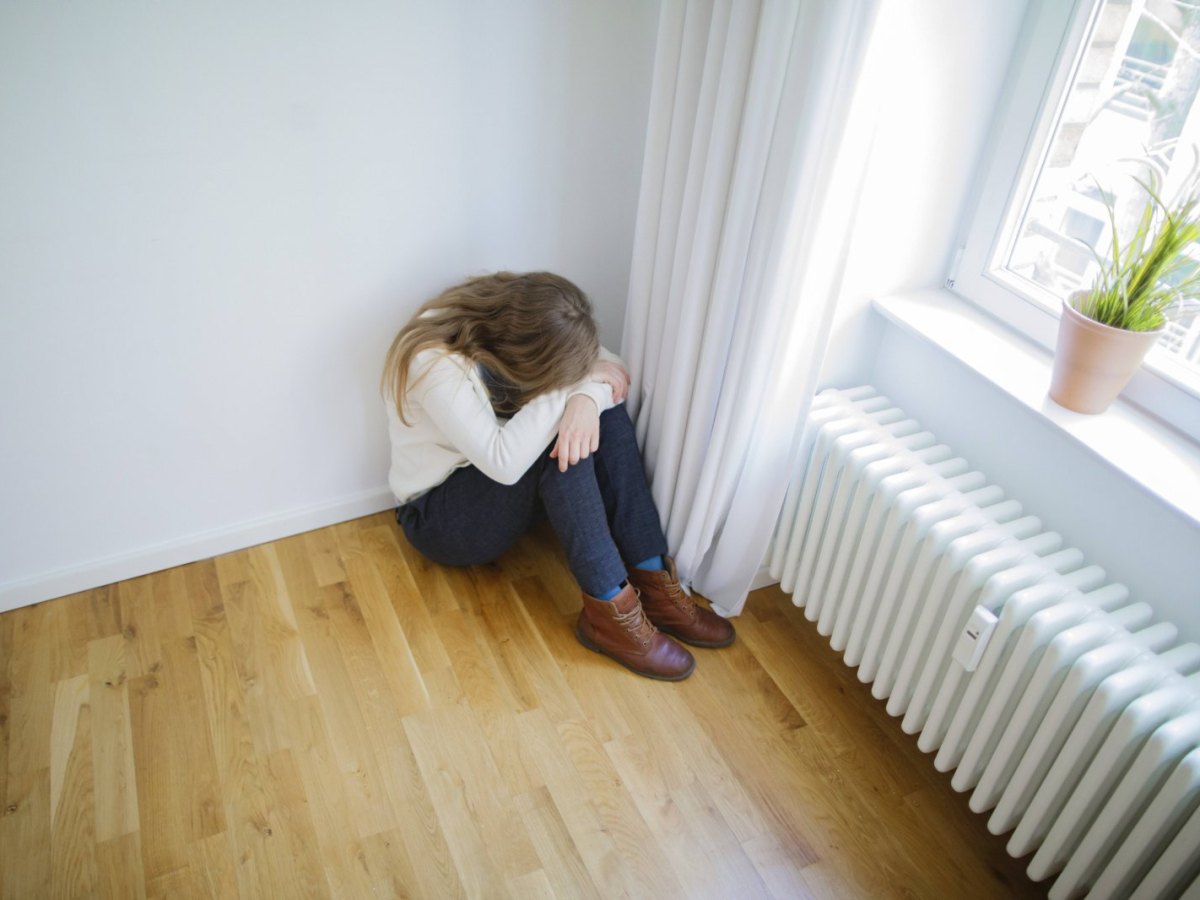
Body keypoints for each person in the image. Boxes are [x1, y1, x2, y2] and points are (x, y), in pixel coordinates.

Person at [381, 271, 734, 681]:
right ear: (526, 350)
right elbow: (504, 462)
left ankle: (652, 579)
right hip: (441, 518)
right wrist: (577, 386)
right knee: (561, 446)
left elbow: (610, 366)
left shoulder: (524, 315)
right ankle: (609, 613)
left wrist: (584, 396)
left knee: (603, 413)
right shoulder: (433, 362)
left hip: (501, 495)